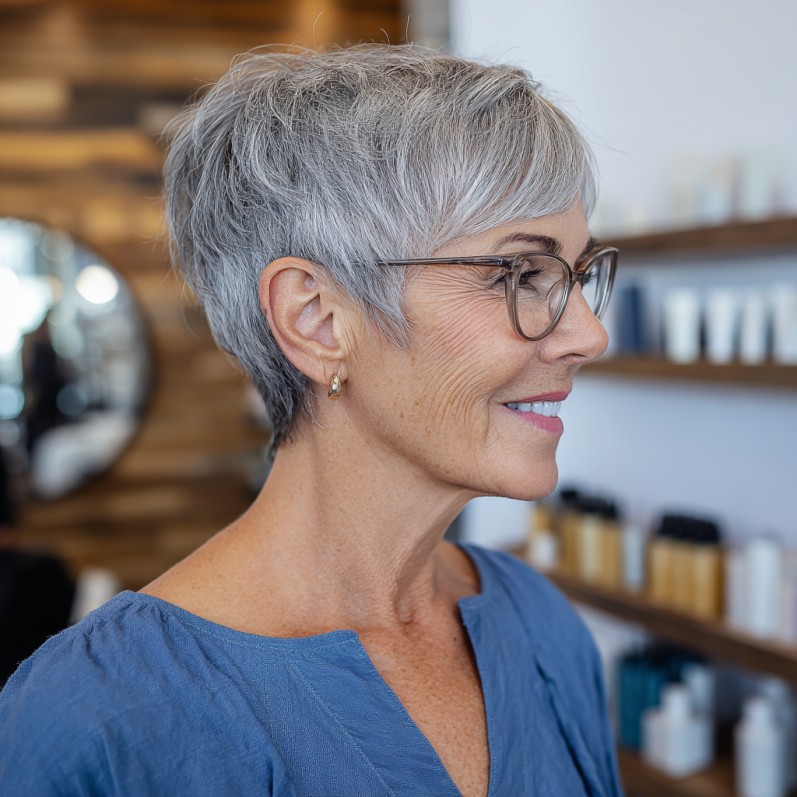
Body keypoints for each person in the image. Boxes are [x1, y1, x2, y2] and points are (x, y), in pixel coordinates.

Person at [0, 45, 622, 796]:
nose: (588, 333)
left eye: (577, 274)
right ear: (318, 319)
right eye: (520, 273)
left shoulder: (540, 627)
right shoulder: (94, 720)